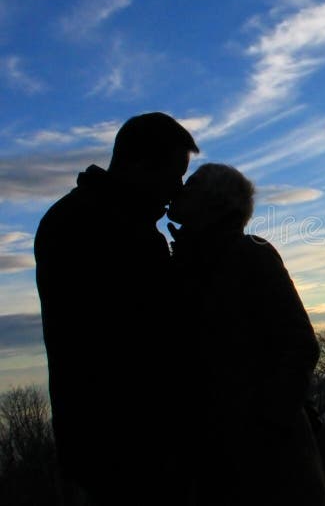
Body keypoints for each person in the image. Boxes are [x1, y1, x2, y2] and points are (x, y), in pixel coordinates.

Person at [34, 112, 199, 505]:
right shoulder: (99, 225)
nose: (177, 188)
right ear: (140, 166)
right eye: (174, 174)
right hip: (127, 445)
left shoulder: (108, 219)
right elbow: (144, 333)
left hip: (116, 443)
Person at [167, 163, 325, 506]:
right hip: (216, 460)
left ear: (213, 203)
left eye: (191, 185)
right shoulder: (186, 264)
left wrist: (266, 424)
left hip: (269, 464)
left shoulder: (251, 254)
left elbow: (300, 344)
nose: (179, 189)